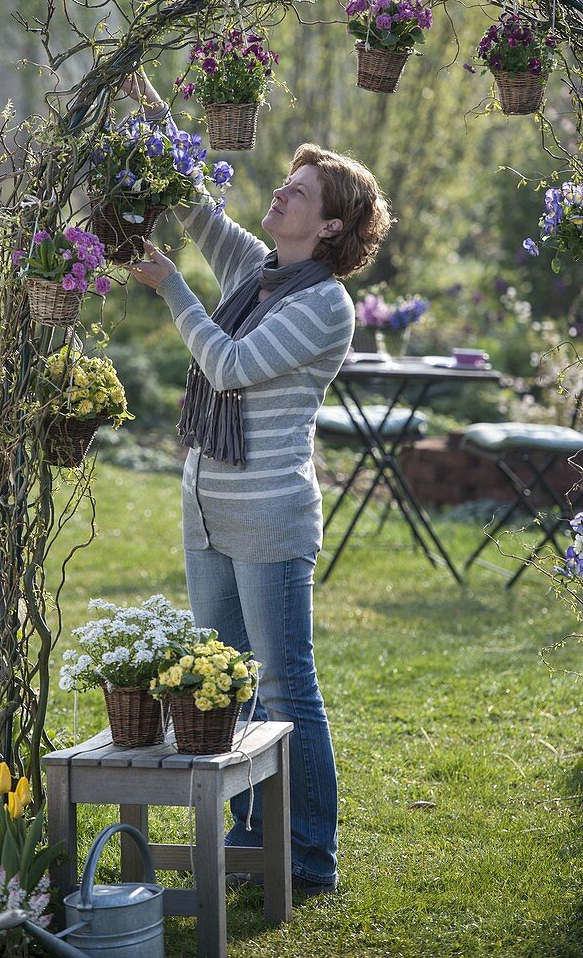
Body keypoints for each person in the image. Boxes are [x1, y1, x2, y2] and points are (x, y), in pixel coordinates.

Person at [122, 71, 392, 894]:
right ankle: (251, 839)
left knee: (284, 686)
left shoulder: (324, 306)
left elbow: (231, 368)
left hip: (269, 518)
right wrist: (161, 120)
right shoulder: (259, 272)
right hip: (208, 512)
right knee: (225, 685)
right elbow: (203, 208)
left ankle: (307, 854)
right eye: (284, 184)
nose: (278, 192)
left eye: (298, 191)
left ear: (331, 223)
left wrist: (171, 285)